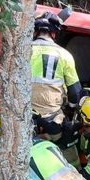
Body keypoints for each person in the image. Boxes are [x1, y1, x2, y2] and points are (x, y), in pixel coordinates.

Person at [31, 11, 82, 146]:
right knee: (62, 146)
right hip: (52, 119)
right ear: (54, 34)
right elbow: (75, 92)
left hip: (25, 116)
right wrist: (71, 108)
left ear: (35, 32)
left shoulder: (24, 50)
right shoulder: (65, 55)